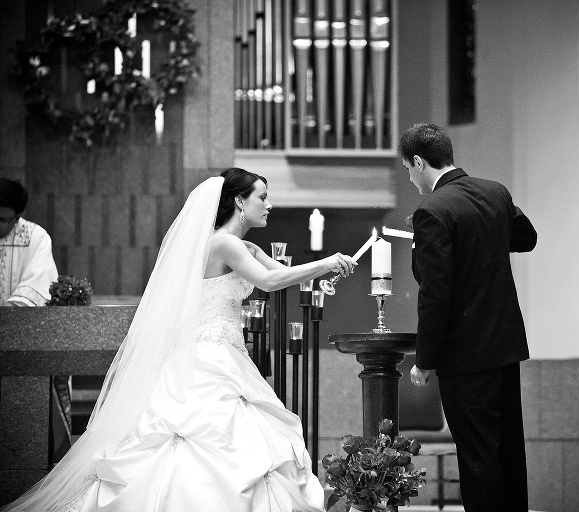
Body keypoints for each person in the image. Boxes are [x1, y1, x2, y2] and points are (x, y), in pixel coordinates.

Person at [2, 168, 356, 512]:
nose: (269, 204)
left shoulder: (243, 247)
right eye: (262, 197)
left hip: (228, 354)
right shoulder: (225, 243)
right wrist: (324, 263)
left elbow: (281, 273)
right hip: (211, 358)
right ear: (239, 201)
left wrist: (331, 266)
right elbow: (268, 282)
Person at [400, 123, 537, 511]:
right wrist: (478, 225)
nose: (410, 178)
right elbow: (526, 238)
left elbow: (434, 294)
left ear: (419, 162)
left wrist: (425, 360)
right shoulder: (495, 192)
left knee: (478, 457)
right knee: (508, 451)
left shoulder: (432, 210)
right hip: (505, 347)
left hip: (465, 355)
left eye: (408, 170)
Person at [0, 178, 58, 306]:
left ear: (17, 218)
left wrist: (9, 312)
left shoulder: (36, 237)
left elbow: (39, 282)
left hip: (17, 317)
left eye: (2, 220)